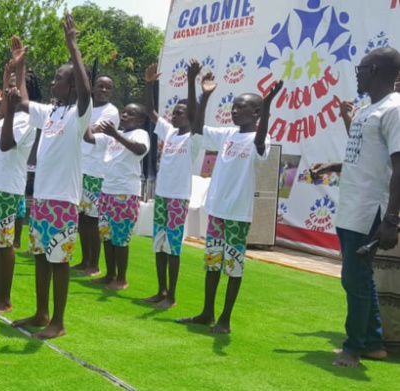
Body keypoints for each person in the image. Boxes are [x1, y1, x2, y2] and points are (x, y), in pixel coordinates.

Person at [176, 59, 282, 335]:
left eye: (241, 107)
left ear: (256, 112)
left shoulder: (260, 139)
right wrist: (201, 92)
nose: (234, 111)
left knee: (233, 266)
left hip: (237, 213)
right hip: (218, 211)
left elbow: (260, 142)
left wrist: (268, 107)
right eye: (233, 106)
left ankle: (225, 319)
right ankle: (207, 312)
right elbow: (197, 126)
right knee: (212, 263)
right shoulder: (226, 135)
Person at [312, 47, 400, 367]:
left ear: (374, 70)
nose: (357, 73)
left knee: (354, 278)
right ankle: (374, 342)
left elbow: (398, 165)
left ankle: (353, 347)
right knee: (359, 277)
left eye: (361, 68)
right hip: (351, 205)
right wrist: (331, 165)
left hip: (369, 209)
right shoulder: (366, 109)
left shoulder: (394, 109)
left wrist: (392, 217)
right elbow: (362, 155)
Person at [8, 11, 92, 339]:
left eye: (59, 78)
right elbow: (25, 101)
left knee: (60, 261)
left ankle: (58, 321)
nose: (54, 82)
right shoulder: (53, 112)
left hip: (62, 200)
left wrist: (73, 47)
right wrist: (18, 67)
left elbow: (85, 93)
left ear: (71, 85)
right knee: (42, 256)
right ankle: (41, 312)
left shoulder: (77, 114)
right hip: (42, 198)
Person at [0, 43, 38, 314]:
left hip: (7, 189)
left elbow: (5, 145)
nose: (11, 88)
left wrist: (19, 72)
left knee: (5, 244)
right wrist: (7, 77)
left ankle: (6, 299)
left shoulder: (25, 119)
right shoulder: (5, 117)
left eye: (16, 85)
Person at [141, 63, 201, 308]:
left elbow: (196, 114)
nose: (173, 116)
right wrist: (148, 84)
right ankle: (161, 290)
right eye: (174, 112)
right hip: (163, 196)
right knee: (159, 244)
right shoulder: (169, 133)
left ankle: (172, 296)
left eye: (179, 113)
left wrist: (190, 80)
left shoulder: (194, 138)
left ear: (190, 117)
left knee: (173, 247)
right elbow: (150, 111)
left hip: (178, 198)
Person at [85, 103, 150, 291]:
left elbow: (139, 149)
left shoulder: (139, 134)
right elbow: (88, 137)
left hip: (125, 192)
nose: (125, 115)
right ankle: (109, 274)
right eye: (124, 112)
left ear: (140, 120)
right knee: (106, 235)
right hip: (107, 190)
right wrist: (92, 126)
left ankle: (122, 278)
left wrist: (116, 135)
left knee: (120, 238)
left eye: (131, 114)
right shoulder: (113, 136)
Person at [75, 75, 120, 277]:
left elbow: (95, 134)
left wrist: (83, 127)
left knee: (93, 219)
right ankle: (85, 260)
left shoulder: (111, 111)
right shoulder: (86, 105)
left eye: (108, 88)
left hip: (95, 170)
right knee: (82, 218)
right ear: (93, 88)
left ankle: (94, 264)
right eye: (100, 86)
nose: (104, 90)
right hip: (79, 167)